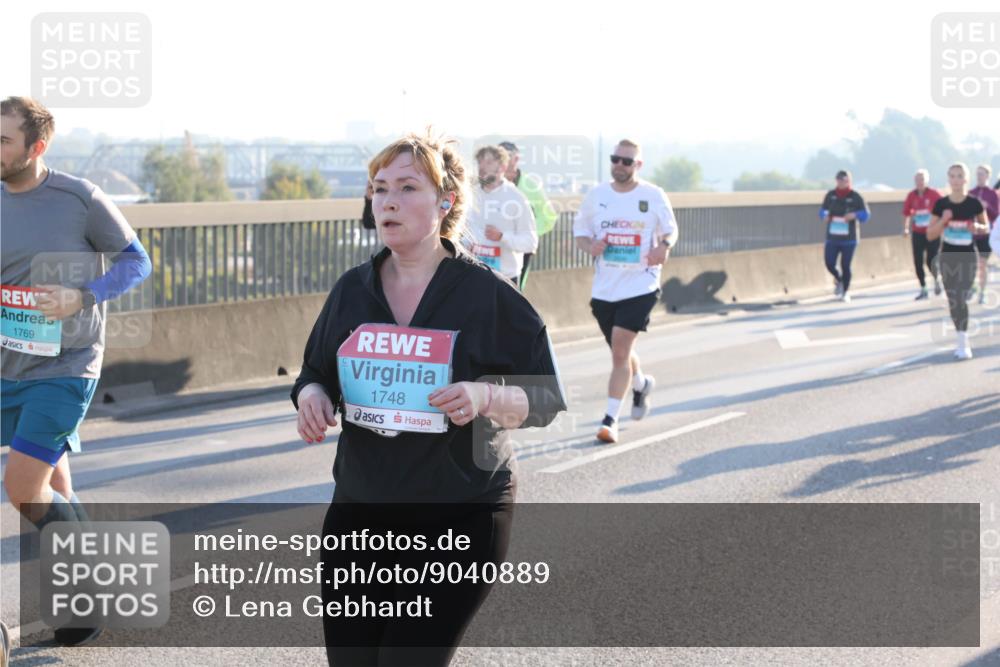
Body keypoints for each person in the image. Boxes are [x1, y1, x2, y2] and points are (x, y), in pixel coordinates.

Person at [291, 131, 566, 666]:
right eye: (379, 188)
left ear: (445, 203)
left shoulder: (487, 294)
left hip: (459, 515)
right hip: (361, 511)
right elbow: (311, 372)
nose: (388, 200)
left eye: (407, 187)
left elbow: (545, 398)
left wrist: (484, 395)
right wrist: (313, 397)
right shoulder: (352, 290)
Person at [1, 97, 152, 645]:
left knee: (22, 488)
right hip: (6, 368)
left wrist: (81, 295)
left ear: (36, 147)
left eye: (4, 141)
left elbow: (138, 262)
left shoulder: (80, 199)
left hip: (66, 368)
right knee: (54, 482)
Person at [573, 139, 678, 444]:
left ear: (638, 165)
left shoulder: (653, 195)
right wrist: (590, 246)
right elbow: (580, 233)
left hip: (641, 285)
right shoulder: (597, 196)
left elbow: (670, 230)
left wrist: (664, 246)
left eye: (627, 161)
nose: (620, 165)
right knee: (622, 350)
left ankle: (609, 420)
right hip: (605, 288)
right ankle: (642, 383)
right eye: (616, 159)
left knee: (620, 351)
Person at [927, 163, 990, 360]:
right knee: (954, 299)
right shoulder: (941, 205)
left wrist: (976, 227)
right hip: (947, 257)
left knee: (960, 297)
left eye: (959, 176)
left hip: (967, 256)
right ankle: (961, 339)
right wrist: (943, 220)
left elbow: (986, 227)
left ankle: (964, 345)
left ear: (966, 179)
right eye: (952, 176)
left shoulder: (974, 204)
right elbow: (930, 234)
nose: (955, 180)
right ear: (949, 179)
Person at [463, 145, 537, 286]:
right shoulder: (470, 195)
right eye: (480, 162)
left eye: (489, 162)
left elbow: (531, 243)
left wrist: (502, 237)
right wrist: (466, 245)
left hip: (506, 279)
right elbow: (462, 232)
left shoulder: (516, 198)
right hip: (473, 275)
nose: (482, 167)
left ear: (503, 168)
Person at [498, 141, 558, 289]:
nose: (503, 161)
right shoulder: (491, 185)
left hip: (520, 248)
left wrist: (528, 234)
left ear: (516, 159)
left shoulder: (531, 186)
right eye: (499, 157)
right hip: (495, 246)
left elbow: (549, 217)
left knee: (515, 291)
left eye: (507, 156)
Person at [819, 170, 871, 303]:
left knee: (845, 264)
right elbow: (822, 211)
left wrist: (854, 215)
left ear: (849, 181)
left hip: (849, 239)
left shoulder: (856, 196)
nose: (842, 182)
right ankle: (840, 279)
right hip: (833, 237)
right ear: (836, 181)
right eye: (839, 180)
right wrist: (825, 216)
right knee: (829, 263)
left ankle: (846, 292)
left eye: (844, 180)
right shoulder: (830, 196)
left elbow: (866, 215)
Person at [902, 168, 943, 300]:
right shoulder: (911, 196)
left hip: (932, 232)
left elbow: (945, 208)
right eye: (917, 180)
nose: (919, 182)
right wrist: (906, 228)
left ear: (927, 180)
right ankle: (923, 288)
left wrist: (939, 224)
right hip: (918, 232)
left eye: (922, 180)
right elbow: (906, 213)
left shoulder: (934, 194)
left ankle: (937, 279)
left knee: (930, 260)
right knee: (917, 261)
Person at [969, 164, 998, 305]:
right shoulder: (970, 192)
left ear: (988, 176)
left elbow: (997, 216)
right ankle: (973, 286)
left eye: (982, 174)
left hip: (986, 234)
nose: (979, 177)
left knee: (982, 264)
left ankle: (982, 292)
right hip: (971, 233)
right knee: (970, 263)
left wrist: (987, 206)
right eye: (977, 174)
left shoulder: (993, 194)